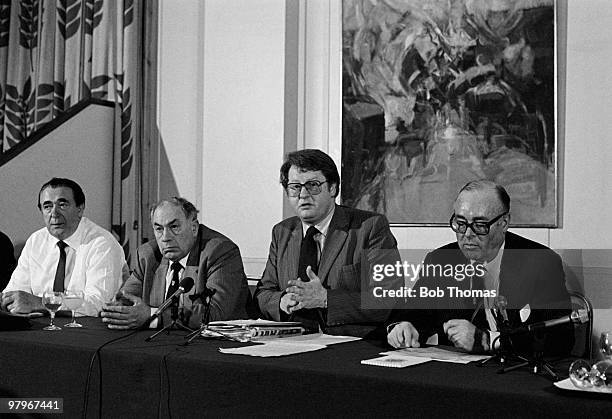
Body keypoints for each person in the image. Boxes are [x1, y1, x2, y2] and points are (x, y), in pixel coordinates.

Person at [387, 180, 573, 356]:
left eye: (479, 225)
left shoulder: (541, 262)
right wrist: (403, 326)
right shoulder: (441, 260)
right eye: (460, 223)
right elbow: (411, 311)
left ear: (504, 223)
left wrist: (488, 340)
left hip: (515, 375)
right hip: (454, 374)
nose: (467, 234)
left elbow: (559, 339)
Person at [254, 149, 401, 337]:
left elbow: (388, 299)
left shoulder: (370, 227)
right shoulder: (282, 232)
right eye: (295, 187)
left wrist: (325, 299)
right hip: (289, 342)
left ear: (332, 188)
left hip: (350, 346)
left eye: (313, 185)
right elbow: (262, 294)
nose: (303, 195)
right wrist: (282, 300)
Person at [101, 197, 250, 329]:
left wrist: (153, 316)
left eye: (174, 227)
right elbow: (125, 299)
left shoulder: (219, 252)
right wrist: (120, 310)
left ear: (194, 227)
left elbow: (214, 313)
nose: (165, 237)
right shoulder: (149, 254)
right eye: (159, 229)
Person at [1, 178, 126, 316]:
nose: (54, 213)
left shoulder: (102, 243)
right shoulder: (36, 240)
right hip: (40, 327)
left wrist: (41, 303)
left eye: (62, 204)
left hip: (87, 331)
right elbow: (14, 293)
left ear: (80, 208)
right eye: (47, 206)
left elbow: (98, 304)